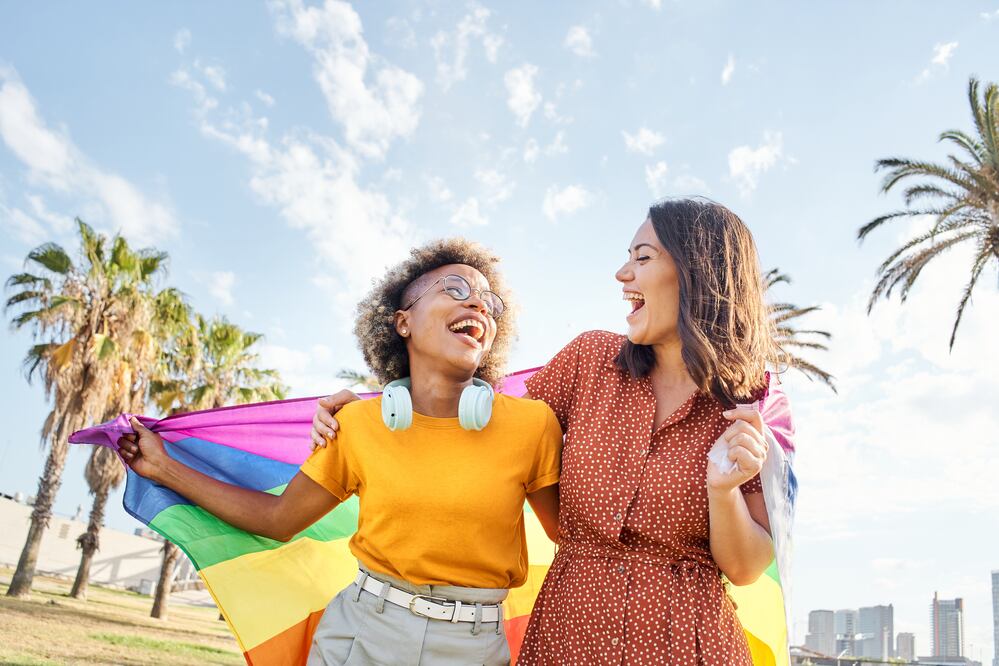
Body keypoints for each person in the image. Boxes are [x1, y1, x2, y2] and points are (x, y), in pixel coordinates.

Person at [311, 198, 785, 664]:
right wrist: (382, 408)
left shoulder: (754, 400)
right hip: (567, 637)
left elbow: (745, 568)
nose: (623, 274)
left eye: (642, 258)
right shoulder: (588, 362)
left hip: (688, 647)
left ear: (699, 270)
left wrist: (723, 490)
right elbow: (486, 426)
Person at [118, 239, 563, 666]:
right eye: (456, 289)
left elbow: (575, 539)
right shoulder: (355, 423)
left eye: (489, 300)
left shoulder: (532, 425)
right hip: (361, 635)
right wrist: (163, 467)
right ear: (402, 322)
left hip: (473, 649)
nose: (479, 304)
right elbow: (278, 520)